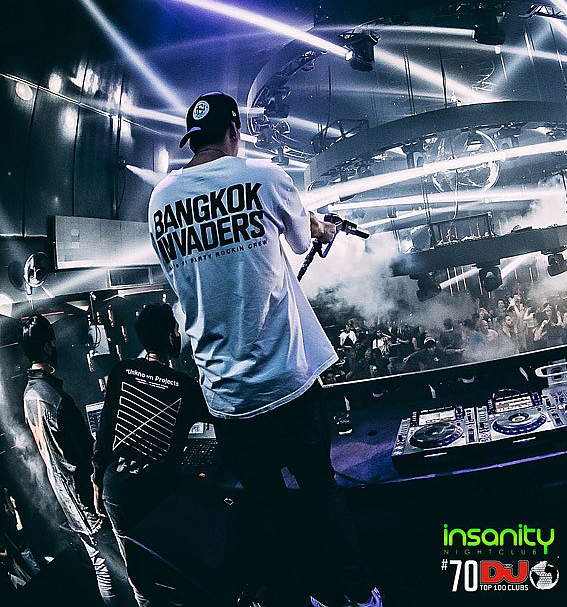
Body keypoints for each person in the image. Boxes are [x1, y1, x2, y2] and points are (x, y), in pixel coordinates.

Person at [147, 92, 380, 607]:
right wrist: (319, 226)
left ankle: (316, 598)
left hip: (227, 399)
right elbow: (300, 241)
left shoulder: (160, 200)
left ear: (193, 141)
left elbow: (186, 274)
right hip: (287, 383)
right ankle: (361, 596)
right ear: (235, 131)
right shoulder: (266, 178)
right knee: (321, 494)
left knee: (274, 512)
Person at [93, 302, 209, 606]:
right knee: (173, 573)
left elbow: (105, 432)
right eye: (177, 330)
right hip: (156, 496)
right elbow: (221, 413)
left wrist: (97, 480)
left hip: (116, 489)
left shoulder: (121, 371)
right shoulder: (184, 387)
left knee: (139, 577)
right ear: (171, 337)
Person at [20, 315, 136, 606]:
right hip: (83, 495)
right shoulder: (55, 398)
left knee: (100, 560)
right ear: (48, 346)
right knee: (110, 563)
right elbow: (84, 456)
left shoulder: (29, 393)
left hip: (65, 493)